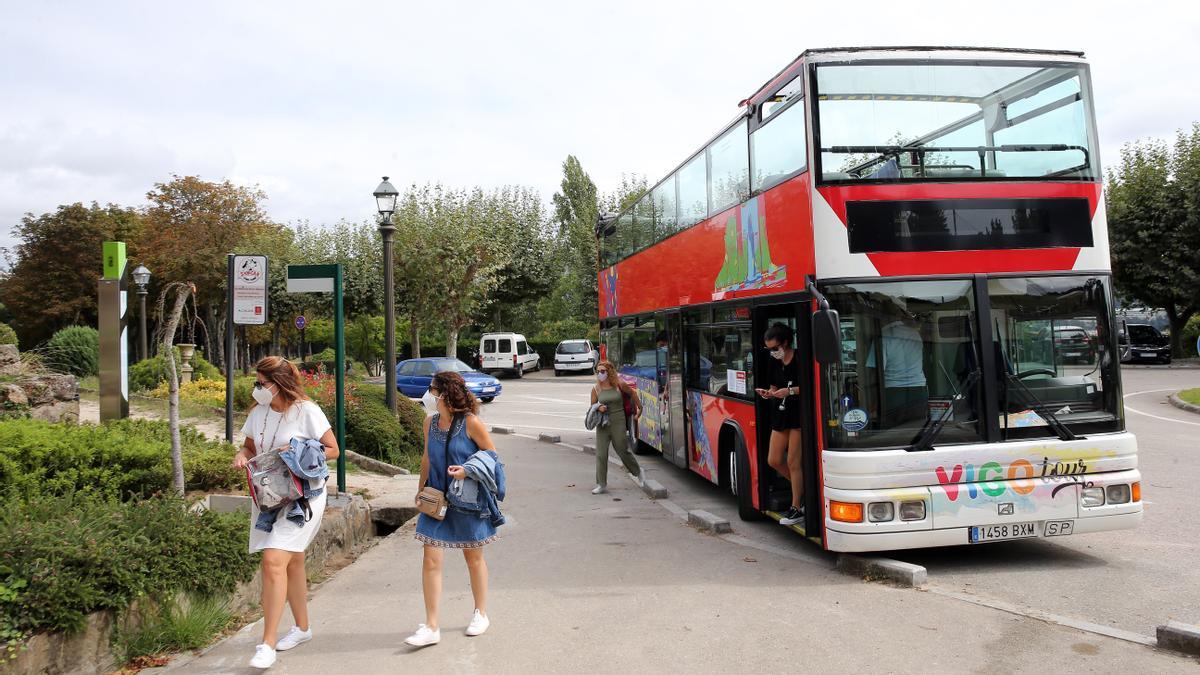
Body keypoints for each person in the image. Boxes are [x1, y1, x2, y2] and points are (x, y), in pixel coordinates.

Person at [232, 356, 340, 669]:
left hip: (304, 498)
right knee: (292, 562)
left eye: (262, 383)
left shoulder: (306, 411)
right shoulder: (259, 413)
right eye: (257, 383)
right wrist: (242, 456)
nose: (257, 389)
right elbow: (250, 447)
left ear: (279, 383)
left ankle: (266, 643)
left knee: (273, 560)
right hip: (269, 497)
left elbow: (332, 448)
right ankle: (303, 629)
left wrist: (296, 452)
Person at [405, 371, 502, 648]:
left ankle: (480, 613)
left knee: (473, 558)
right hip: (437, 499)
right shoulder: (429, 423)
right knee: (431, 559)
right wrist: (420, 488)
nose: (429, 394)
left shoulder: (471, 423)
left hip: (467, 500)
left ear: (446, 393)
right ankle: (431, 625)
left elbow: (492, 458)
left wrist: (467, 470)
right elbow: (426, 457)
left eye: (433, 389)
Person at [755, 323, 804, 526]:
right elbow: (774, 385)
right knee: (774, 460)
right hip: (780, 413)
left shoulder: (801, 357)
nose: (773, 352)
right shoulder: (773, 361)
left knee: (793, 462)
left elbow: (811, 385)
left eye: (775, 348)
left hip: (799, 414)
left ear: (785, 343)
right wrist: (769, 393)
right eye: (769, 349)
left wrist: (789, 392)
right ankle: (805, 490)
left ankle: (796, 506)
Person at [589, 359, 644, 494]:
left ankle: (638, 471)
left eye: (603, 371)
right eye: (598, 372)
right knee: (601, 454)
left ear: (609, 372)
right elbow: (592, 407)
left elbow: (632, 393)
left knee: (622, 449)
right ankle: (601, 484)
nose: (600, 374)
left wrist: (640, 409)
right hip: (603, 423)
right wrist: (599, 407)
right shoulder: (596, 389)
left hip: (618, 419)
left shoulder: (619, 384)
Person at [866, 308, 928, 425]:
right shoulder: (915, 334)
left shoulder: (883, 336)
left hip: (892, 393)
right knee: (917, 430)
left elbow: (875, 373)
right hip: (918, 389)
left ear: (883, 317)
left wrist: (873, 403)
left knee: (893, 434)